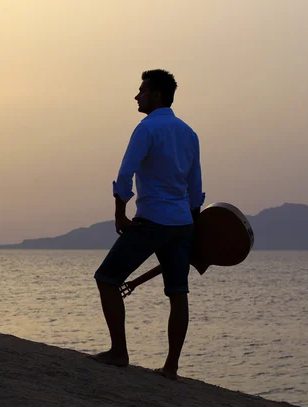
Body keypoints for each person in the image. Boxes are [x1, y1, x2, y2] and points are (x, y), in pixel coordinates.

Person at [90, 69, 204, 380]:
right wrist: (193, 220)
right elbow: (195, 187)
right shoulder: (189, 133)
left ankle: (118, 352)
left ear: (156, 95)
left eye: (142, 90)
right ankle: (171, 368)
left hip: (153, 219)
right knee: (178, 292)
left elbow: (125, 173)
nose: (137, 96)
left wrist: (119, 212)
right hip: (182, 222)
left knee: (107, 278)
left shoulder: (146, 129)